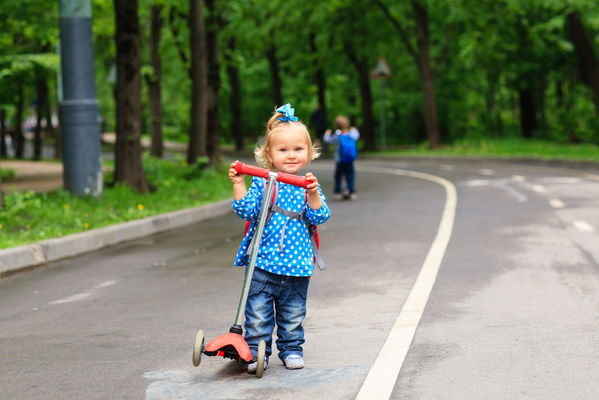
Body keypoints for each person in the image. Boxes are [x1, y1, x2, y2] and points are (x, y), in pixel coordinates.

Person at [228, 103, 331, 374]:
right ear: (269, 154)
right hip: (262, 264)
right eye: (283, 150)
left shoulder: (309, 185)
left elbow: (319, 217)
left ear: (309, 153)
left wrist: (313, 195)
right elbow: (246, 210)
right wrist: (239, 184)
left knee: (293, 315)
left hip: (297, 267)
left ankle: (292, 349)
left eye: (298, 149)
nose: (291, 155)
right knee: (258, 314)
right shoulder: (263, 182)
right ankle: (255, 352)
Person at [323, 115, 360, 200]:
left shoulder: (337, 135)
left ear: (336, 125)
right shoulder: (351, 134)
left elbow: (327, 140)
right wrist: (354, 129)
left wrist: (327, 133)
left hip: (339, 160)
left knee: (338, 176)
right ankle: (352, 192)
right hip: (350, 159)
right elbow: (357, 135)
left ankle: (337, 192)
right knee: (350, 176)